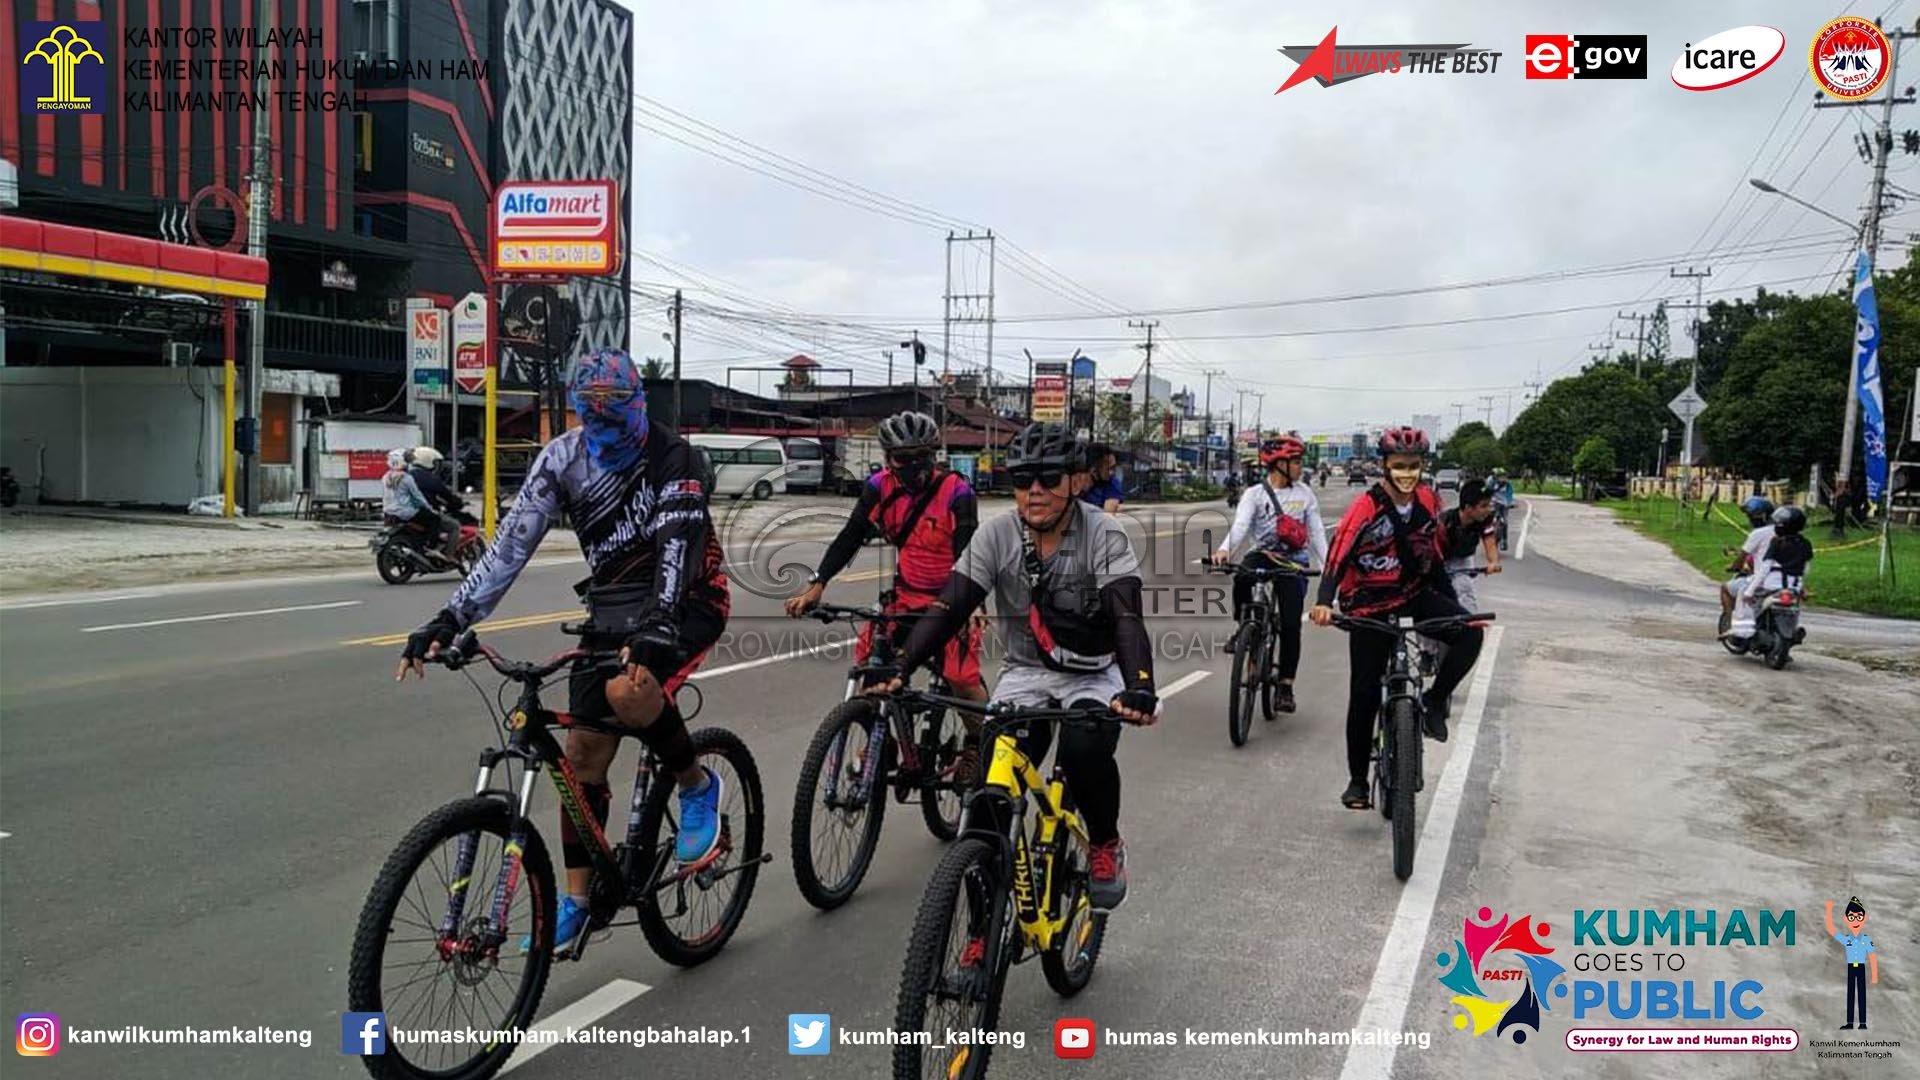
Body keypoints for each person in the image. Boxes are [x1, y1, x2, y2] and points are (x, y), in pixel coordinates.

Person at [396, 348, 732, 953]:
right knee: (580, 754)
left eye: (615, 414)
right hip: (611, 607)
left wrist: (657, 626)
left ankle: (694, 782)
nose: (602, 428)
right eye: (590, 416)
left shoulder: (672, 458)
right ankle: (578, 900)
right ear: (578, 410)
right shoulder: (562, 459)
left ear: (638, 404)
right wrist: (451, 617)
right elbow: (507, 549)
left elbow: (678, 549)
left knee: (631, 692)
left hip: (686, 598)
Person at [873, 422, 1157, 910]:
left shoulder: (1104, 534)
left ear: (1076, 480)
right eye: (1024, 480)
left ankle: (1105, 844)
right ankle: (980, 938)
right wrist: (901, 664)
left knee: (1083, 748)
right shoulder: (997, 533)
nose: (1035, 492)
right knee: (988, 801)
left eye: (1049, 478)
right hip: (1024, 675)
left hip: (1093, 673)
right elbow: (949, 607)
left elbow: (1126, 616)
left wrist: (1140, 686)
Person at [786, 411, 989, 750]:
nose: (913, 466)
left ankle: (976, 744)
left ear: (934, 455)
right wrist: (818, 583)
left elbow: (968, 555)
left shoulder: (957, 491)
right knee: (870, 669)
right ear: (887, 459)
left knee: (960, 679)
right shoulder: (879, 488)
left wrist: (971, 604)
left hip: (952, 599)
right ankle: (882, 737)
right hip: (906, 599)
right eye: (903, 459)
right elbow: (850, 536)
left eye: (922, 457)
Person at [1310, 426, 1484, 810]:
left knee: (1470, 632)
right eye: (1399, 466)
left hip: (1413, 592)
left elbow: (1431, 554)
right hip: (1369, 602)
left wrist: (1452, 604)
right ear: (1385, 466)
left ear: (1423, 466)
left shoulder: (1427, 500)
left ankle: (1435, 701)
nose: (1407, 473)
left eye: (1414, 466)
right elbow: (1337, 556)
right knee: (1365, 692)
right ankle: (1357, 781)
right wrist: (1325, 601)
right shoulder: (1365, 507)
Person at [1211, 434, 1327, 713]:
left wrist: (1329, 567)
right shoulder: (1254, 494)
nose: (1301, 467)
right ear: (1278, 465)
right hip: (1263, 554)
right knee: (1241, 576)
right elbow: (1240, 527)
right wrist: (1224, 550)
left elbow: (1317, 533)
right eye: (1296, 462)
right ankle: (1243, 626)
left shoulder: (1305, 494)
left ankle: (1285, 685)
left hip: (1293, 561)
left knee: (1290, 625)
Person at [1733, 504, 1814, 637]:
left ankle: (1742, 632)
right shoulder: (1806, 544)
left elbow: (1764, 569)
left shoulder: (1776, 542)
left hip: (1771, 585)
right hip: (1794, 587)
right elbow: (1805, 569)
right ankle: (1793, 629)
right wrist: (1800, 586)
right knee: (1795, 607)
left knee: (1743, 593)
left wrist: (1749, 591)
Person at [1719, 496, 1775, 632]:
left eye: (1751, 516)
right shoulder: (1783, 533)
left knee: (1725, 589)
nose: (1750, 518)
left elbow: (1742, 557)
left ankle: (1732, 625)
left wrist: (1734, 567)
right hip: (1782, 582)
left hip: (1761, 581)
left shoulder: (1758, 533)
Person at [1826, 897, 1878, 1029]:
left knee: (1861, 995)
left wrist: (1874, 975)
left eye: (1859, 917)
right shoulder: (1847, 939)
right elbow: (1831, 929)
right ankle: (1850, 1022)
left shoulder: (1865, 939)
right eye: (1851, 917)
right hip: (1851, 968)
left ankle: (1862, 1023)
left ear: (1864, 919)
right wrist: (1829, 910)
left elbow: (1872, 956)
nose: (1855, 921)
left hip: (1861, 968)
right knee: (1850, 995)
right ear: (1846, 920)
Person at [406, 446, 464, 562]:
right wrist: (457, 502)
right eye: (435, 462)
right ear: (428, 461)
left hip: (404, 512)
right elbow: (447, 495)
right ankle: (448, 555)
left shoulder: (407, 475)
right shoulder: (431, 479)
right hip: (423, 513)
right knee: (454, 526)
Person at [1079, 442, 1123, 512]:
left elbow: (1108, 517)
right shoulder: (1072, 484)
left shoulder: (1112, 483)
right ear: (1093, 470)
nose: (1113, 473)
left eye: (1114, 468)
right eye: (1109, 469)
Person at [1488, 469, 1516, 550]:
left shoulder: (1507, 485)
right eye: (1500, 476)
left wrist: (1510, 503)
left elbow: (1510, 495)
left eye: (1503, 476)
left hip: (1504, 504)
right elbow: (1486, 491)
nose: (1502, 478)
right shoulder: (1492, 483)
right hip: (1494, 503)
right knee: (1489, 519)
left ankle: (1504, 540)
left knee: (1505, 522)